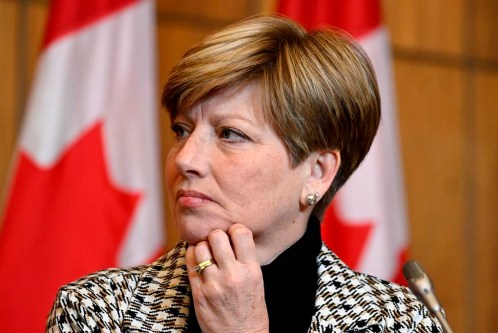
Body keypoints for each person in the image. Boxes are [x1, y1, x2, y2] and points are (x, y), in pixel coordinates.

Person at [46, 15, 443, 332]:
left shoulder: (398, 323)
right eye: (182, 130)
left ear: (317, 173)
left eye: (229, 134)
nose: (186, 159)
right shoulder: (97, 312)